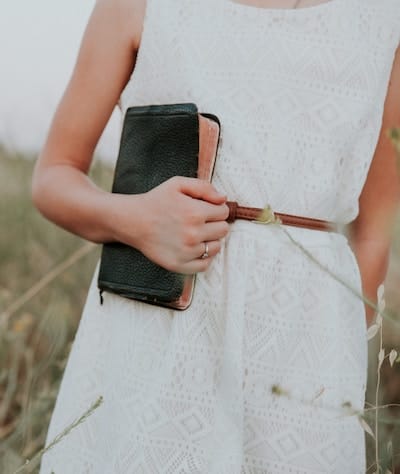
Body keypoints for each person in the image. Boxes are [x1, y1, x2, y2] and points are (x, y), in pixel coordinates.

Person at [32, 0, 400, 472]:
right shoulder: (138, 6)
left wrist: (337, 352)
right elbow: (53, 176)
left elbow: (374, 231)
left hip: (310, 351)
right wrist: (136, 219)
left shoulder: (382, 20)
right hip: (159, 338)